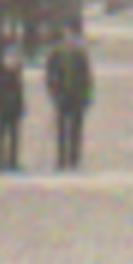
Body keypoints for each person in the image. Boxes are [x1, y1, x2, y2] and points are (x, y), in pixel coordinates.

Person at [45, 25, 94, 171]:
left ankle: (74, 158)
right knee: (61, 129)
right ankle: (61, 158)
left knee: (76, 129)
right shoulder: (56, 54)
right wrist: (53, 91)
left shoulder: (80, 55)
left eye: (72, 37)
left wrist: (87, 96)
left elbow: (87, 78)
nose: (69, 40)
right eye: (67, 37)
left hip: (77, 96)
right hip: (62, 95)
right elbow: (49, 74)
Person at [0, 40, 25, 173]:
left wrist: (21, 105)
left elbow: (19, 90)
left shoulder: (16, 71)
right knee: (0, 135)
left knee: (14, 135)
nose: (13, 59)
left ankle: (12, 161)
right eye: (11, 56)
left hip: (14, 107)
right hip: (1, 107)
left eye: (15, 56)